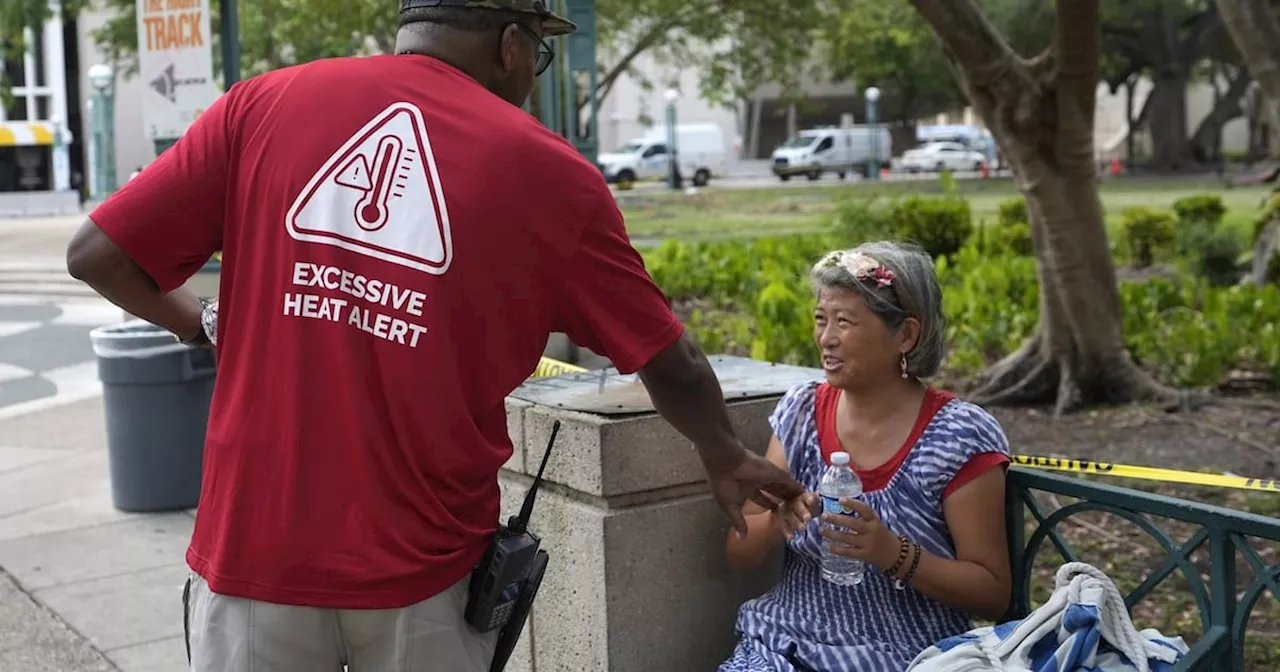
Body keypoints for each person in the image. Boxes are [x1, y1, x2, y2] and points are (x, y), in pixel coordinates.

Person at [64, 1, 811, 670]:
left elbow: (98, 257)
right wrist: (722, 451)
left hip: (252, 552)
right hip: (424, 576)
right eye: (538, 54)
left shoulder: (264, 104)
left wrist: (204, 324)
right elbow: (668, 358)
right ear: (513, 44)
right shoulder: (550, 174)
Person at [719, 241, 1013, 672]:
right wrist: (774, 523)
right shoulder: (801, 413)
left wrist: (891, 552)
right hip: (782, 647)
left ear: (906, 335)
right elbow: (738, 554)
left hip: (905, 655)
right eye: (821, 319)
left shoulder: (957, 436)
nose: (827, 338)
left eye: (845, 322)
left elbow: (992, 593)